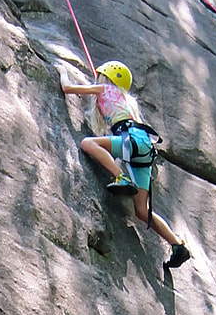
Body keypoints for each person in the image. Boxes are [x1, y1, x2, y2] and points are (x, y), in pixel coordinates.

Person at [57, 60, 190, 269]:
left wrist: (62, 71)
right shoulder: (128, 102)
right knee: (141, 210)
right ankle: (177, 245)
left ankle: (121, 176)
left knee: (87, 143)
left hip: (130, 141)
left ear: (106, 77)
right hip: (145, 148)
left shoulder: (105, 88)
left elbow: (67, 88)